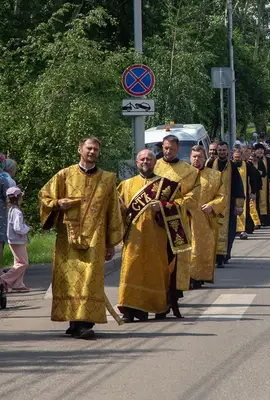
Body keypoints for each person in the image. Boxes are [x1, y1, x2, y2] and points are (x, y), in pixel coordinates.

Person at [38, 137, 123, 339]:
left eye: (96, 149)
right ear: (80, 149)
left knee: (90, 279)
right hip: (67, 239)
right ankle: (74, 322)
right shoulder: (65, 175)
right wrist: (58, 203)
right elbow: (43, 196)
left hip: (96, 237)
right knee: (69, 280)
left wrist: (111, 243)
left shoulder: (108, 178)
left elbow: (114, 211)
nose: (93, 152)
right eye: (89, 148)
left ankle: (85, 324)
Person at [117, 149, 175, 322]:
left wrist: (163, 207)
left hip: (157, 238)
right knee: (130, 271)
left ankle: (157, 306)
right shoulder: (126, 185)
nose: (145, 162)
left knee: (155, 272)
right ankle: (129, 310)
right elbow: (117, 210)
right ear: (137, 163)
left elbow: (181, 205)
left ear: (155, 162)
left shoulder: (166, 185)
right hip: (133, 238)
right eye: (142, 159)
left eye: (149, 159)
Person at [154, 135, 200, 311]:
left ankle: (170, 295)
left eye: (171, 149)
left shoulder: (189, 171)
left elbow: (193, 197)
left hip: (176, 222)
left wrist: (171, 206)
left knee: (173, 260)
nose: (168, 151)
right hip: (154, 222)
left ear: (177, 149)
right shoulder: (154, 165)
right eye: (165, 148)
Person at [189, 146, 226, 288]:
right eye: (194, 156)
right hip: (186, 219)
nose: (196, 159)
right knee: (187, 250)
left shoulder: (215, 176)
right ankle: (187, 278)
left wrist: (212, 206)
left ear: (205, 158)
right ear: (190, 157)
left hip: (205, 220)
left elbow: (221, 196)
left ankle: (199, 277)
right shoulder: (183, 174)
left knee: (201, 249)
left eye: (199, 156)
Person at [1, 186, 31, 292]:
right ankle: (3, 279)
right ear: (18, 198)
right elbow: (18, 228)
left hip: (13, 240)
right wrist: (27, 228)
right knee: (23, 263)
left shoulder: (11, 210)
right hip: (17, 240)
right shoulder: (17, 212)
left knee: (18, 263)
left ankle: (18, 284)